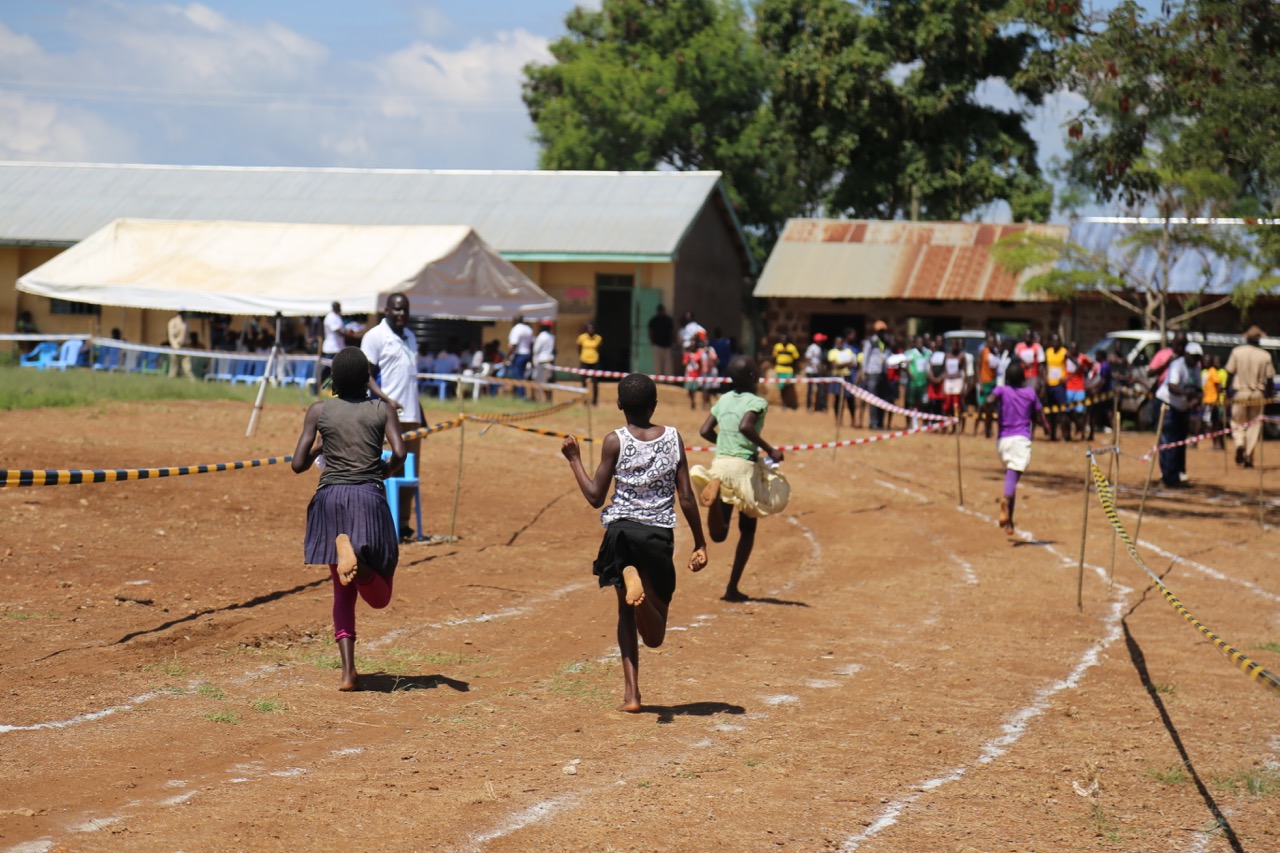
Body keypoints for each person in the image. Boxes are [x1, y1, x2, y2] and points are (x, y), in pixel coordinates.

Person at [560, 372, 707, 713]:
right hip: (656, 535)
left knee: (624, 614)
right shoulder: (673, 438)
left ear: (619, 405)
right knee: (655, 637)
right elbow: (685, 497)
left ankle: (632, 696)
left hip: (620, 533)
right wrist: (701, 542)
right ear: (654, 405)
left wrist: (574, 459)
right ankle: (640, 597)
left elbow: (596, 496)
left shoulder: (614, 440)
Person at [292, 347, 406, 691]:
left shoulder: (319, 410)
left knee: (342, 594)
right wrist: (381, 472)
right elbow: (400, 452)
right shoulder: (381, 409)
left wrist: (323, 445)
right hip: (366, 497)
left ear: (334, 381)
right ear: (366, 381)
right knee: (379, 595)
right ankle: (365, 567)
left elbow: (298, 464)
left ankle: (348, 673)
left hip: (329, 501)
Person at [690, 356, 791, 602]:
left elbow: (704, 431)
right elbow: (747, 426)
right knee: (747, 529)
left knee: (718, 535)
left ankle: (713, 501)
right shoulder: (757, 402)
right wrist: (769, 449)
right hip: (744, 467)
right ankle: (732, 587)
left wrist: (723, 443)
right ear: (754, 378)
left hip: (721, 463)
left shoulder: (723, 399)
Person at [361, 293, 427, 540]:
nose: (401, 314)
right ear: (386, 310)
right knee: (383, 468)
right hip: (384, 415)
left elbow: (410, 379)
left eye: (405, 309)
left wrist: (421, 413)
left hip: (411, 415)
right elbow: (365, 375)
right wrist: (385, 399)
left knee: (409, 471)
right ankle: (380, 523)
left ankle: (403, 524)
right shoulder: (375, 336)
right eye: (397, 309)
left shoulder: (410, 336)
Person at [983, 360, 1049, 535]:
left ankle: (1009, 521)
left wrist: (988, 416)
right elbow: (1039, 414)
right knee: (1012, 476)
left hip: (1003, 440)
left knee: (1011, 474)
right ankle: (1005, 499)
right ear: (1023, 379)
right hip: (1020, 439)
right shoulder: (1030, 392)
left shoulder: (1002, 390)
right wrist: (1047, 427)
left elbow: (989, 400)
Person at [1226, 326, 1275, 469]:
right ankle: (1248, 456)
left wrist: (1225, 391)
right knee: (1254, 425)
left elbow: (1229, 373)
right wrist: (1269, 396)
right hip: (1257, 394)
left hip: (1240, 392)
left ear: (1246, 337)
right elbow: (1270, 379)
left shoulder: (1237, 352)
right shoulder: (1265, 356)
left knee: (1237, 422)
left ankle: (1240, 443)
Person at [1155, 339, 1201, 487]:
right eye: (1193, 356)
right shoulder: (1178, 365)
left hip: (1183, 408)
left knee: (1180, 442)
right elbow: (1172, 387)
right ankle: (1168, 477)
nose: (1195, 359)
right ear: (1187, 354)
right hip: (1168, 406)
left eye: (1197, 357)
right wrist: (1186, 394)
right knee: (1168, 441)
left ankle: (1178, 473)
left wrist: (1197, 398)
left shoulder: (1196, 369)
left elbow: (1199, 389)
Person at [1063, 341, 1092, 442]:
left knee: (1080, 412)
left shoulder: (1082, 358)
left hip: (1079, 388)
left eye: (1075, 348)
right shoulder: (1064, 358)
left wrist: (1071, 358)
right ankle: (1068, 435)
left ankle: (1081, 431)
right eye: (1071, 348)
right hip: (1068, 388)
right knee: (1067, 412)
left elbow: (1085, 367)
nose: (1073, 350)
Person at [1043, 333, 1069, 440]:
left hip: (1060, 386)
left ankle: (1064, 435)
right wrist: (1044, 379)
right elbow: (1045, 366)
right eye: (1053, 341)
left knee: (1062, 411)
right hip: (1049, 385)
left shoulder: (1064, 352)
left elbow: (1074, 364)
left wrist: (1067, 377)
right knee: (1051, 412)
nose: (1055, 343)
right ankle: (1052, 435)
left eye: (1057, 341)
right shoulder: (1048, 352)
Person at [827, 334, 857, 426]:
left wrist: (841, 364)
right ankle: (838, 420)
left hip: (847, 377)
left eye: (841, 342)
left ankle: (853, 420)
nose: (839, 344)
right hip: (838, 377)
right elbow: (835, 365)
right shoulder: (832, 352)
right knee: (838, 400)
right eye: (838, 342)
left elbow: (853, 364)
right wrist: (846, 363)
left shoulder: (848, 351)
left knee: (850, 400)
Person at [974, 333, 1000, 437]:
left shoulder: (996, 353)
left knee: (991, 408)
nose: (992, 343)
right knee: (981, 407)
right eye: (990, 341)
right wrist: (979, 382)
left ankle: (989, 430)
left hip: (993, 383)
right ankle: (975, 430)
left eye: (993, 341)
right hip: (984, 382)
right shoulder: (983, 352)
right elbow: (977, 366)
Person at [1200, 354, 1227, 450]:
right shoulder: (1207, 372)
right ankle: (1217, 444)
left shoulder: (1213, 372)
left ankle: (1217, 444)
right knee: (1212, 424)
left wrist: (1215, 400)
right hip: (1209, 401)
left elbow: (1218, 386)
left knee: (1215, 425)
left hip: (1213, 402)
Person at [506, 314, 534, 398]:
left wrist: (507, 356)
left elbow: (514, 344)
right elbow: (532, 344)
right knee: (522, 375)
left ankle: (521, 395)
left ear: (516, 320)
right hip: (527, 354)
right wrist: (531, 356)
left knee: (517, 376)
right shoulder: (528, 329)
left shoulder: (516, 329)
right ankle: (517, 394)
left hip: (519, 355)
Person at [941, 336, 967, 431]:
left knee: (956, 405)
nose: (954, 346)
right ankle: (944, 426)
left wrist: (964, 385)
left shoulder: (962, 356)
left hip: (957, 381)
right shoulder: (947, 356)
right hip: (948, 381)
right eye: (952, 345)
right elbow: (944, 370)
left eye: (956, 345)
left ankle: (955, 427)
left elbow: (964, 371)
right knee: (946, 405)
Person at [771, 333, 801, 410]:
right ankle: (783, 403)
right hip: (780, 368)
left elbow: (796, 359)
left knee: (788, 385)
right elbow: (774, 357)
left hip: (788, 369)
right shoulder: (777, 347)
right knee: (781, 386)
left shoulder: (792, 348)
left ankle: (787, 402)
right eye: (781, 340)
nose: (783, 342)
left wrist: (796, 369)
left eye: (784, 340)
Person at [576, 321, 602, 406]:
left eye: (592, 328)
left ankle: (594, 401)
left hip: (595, 361)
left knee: (595, 382)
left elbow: (599, 349)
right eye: (589, 328)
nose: (591, 329)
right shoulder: (581, 338)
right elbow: (579, 348)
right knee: (583, 382)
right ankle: (584, 401)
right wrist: (583, 356)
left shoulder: (598, 338)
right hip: (584, 361)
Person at [648, 304, 675, 378]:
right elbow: (651, 332)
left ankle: (669, 379)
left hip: (667, 345)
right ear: (658, 311)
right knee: (657, 364)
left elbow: (671, 331)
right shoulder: (653, 320)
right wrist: (652, 341)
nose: (661, 312)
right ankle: (658, 379)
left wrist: (672, 342)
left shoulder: (668, 320)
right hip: (657, 345)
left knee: (668, 365)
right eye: (660, 310)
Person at [533, 319, 557, 403]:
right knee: (547, 382)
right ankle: (548, 399)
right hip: (550, 361)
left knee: (538, 382)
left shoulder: (541, 336)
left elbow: (536, 349)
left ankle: (537, 400)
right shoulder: (552, 337)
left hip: (541, 361)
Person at [803, 333, 829, 412]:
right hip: (811, 371)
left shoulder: (819, 348)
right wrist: (814, 366)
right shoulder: (812, 348)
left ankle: (821, 406)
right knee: (810, 389)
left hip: (818, 372)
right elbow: (808, 358)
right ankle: (808, 406)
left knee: (820, 388)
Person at [167, 310, 195, 380]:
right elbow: (171, 336)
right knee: (173, 369)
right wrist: (175, 346)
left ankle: (193, 383)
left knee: (187, 368)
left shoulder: (187, 322)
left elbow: (187, 335)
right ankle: (170, 384)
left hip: (185, 348)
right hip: (175, 347)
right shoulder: (172, 322)